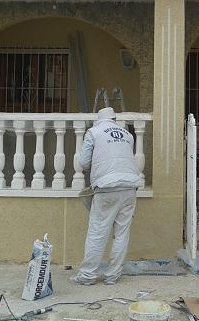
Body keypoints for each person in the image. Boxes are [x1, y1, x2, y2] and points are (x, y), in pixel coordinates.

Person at [70, 107, 143, 286]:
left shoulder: (93, 132)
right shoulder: (128, 135)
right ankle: (112, 276)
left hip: (107, 187)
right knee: (122, 234)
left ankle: (87, 275)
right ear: (113, 119)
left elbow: (83, 163)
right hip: (130, 187)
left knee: (97, 232)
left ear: (99, 119)